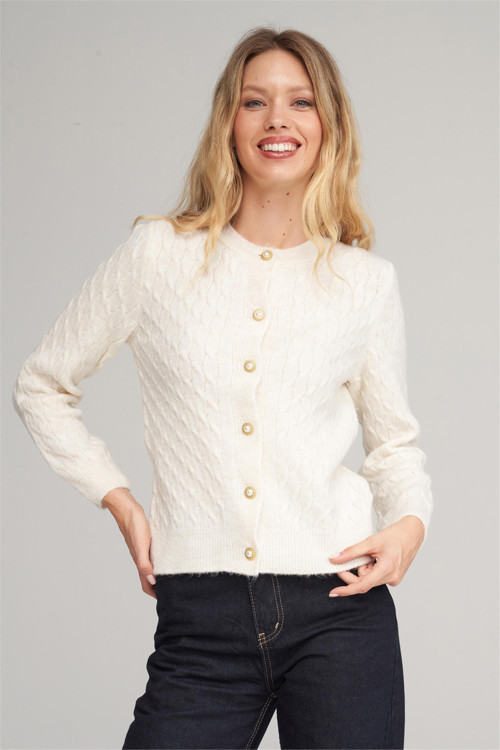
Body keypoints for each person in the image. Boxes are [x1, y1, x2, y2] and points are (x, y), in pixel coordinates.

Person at [12, 25, 433, 750]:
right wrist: (120, 501)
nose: (277, 120)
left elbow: (394, 443)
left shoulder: (364, 283)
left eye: (301, 101)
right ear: (228, 122)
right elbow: (41, 384)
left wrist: (408, 524)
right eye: (254, 101)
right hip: (200, 617)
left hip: (338, 609)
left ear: (328, 124)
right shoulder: (157, 256)